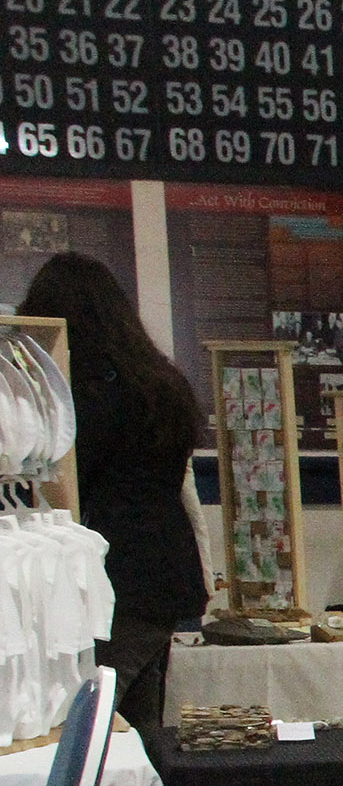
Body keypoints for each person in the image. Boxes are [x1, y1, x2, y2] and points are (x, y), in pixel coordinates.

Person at [19, 253, 210, 733]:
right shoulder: (159, 380)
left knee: (90, 723)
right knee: (139, 725)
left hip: (117, 579)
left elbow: (72, 479)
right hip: (163, 575)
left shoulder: (91, 390)